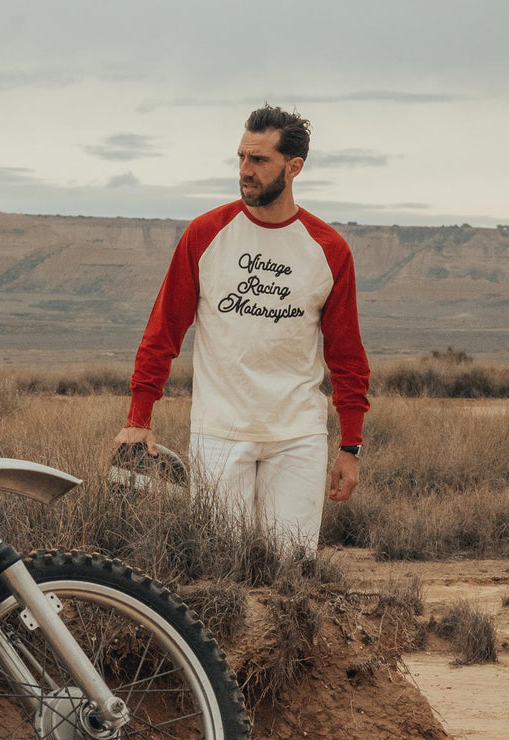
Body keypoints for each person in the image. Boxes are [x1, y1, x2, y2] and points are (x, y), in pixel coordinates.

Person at [114, 104, 370, 552]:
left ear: (294, 167)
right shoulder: (206, 234)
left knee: (290, 568)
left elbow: (346, 356)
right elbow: (163, 331)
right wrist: (139, 417)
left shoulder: (329, 250)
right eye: (241, 158)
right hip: (219, 432)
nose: (245, 171)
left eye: (259, 160)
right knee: (221, 565)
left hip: (297, 436)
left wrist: (351, 446)